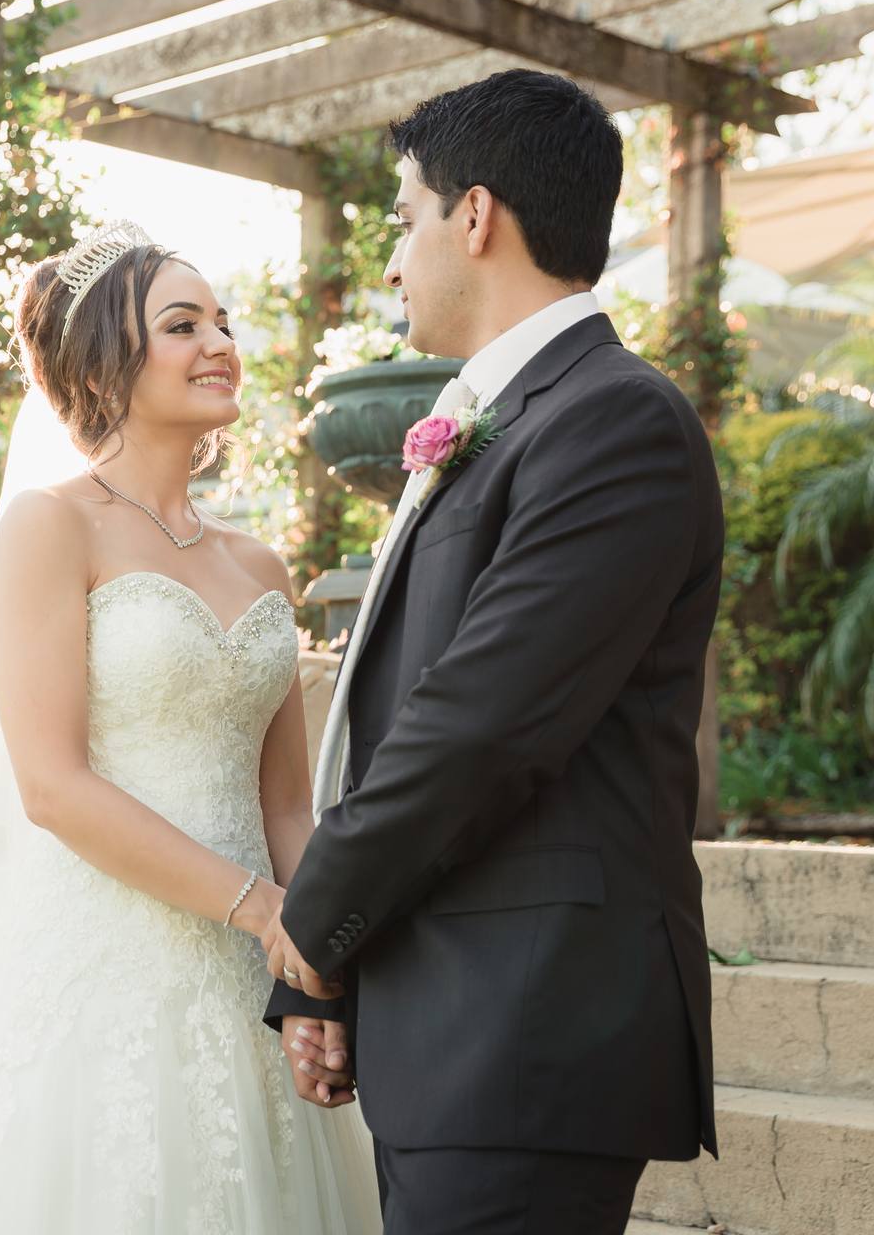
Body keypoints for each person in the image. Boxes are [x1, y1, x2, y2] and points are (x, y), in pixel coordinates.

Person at [0, 221, 383, 1233]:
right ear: (108, 356)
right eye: (183, 323)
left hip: (258, 965)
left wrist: (322, 957)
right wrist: (260, 910)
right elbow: (53, 786)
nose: (222, 342)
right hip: (109, 963)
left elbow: (284, 799)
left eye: (224, 321)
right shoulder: (51, 525)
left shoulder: (262, 564)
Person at [262, 69, 724, 1235]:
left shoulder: (615, 420)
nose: (392, 259)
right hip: (456, 1027)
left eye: (406, 218)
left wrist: (310, 932)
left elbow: (479, 728)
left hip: (531, 1027)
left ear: (475, 215)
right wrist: (329, 976)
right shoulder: (509, 417)